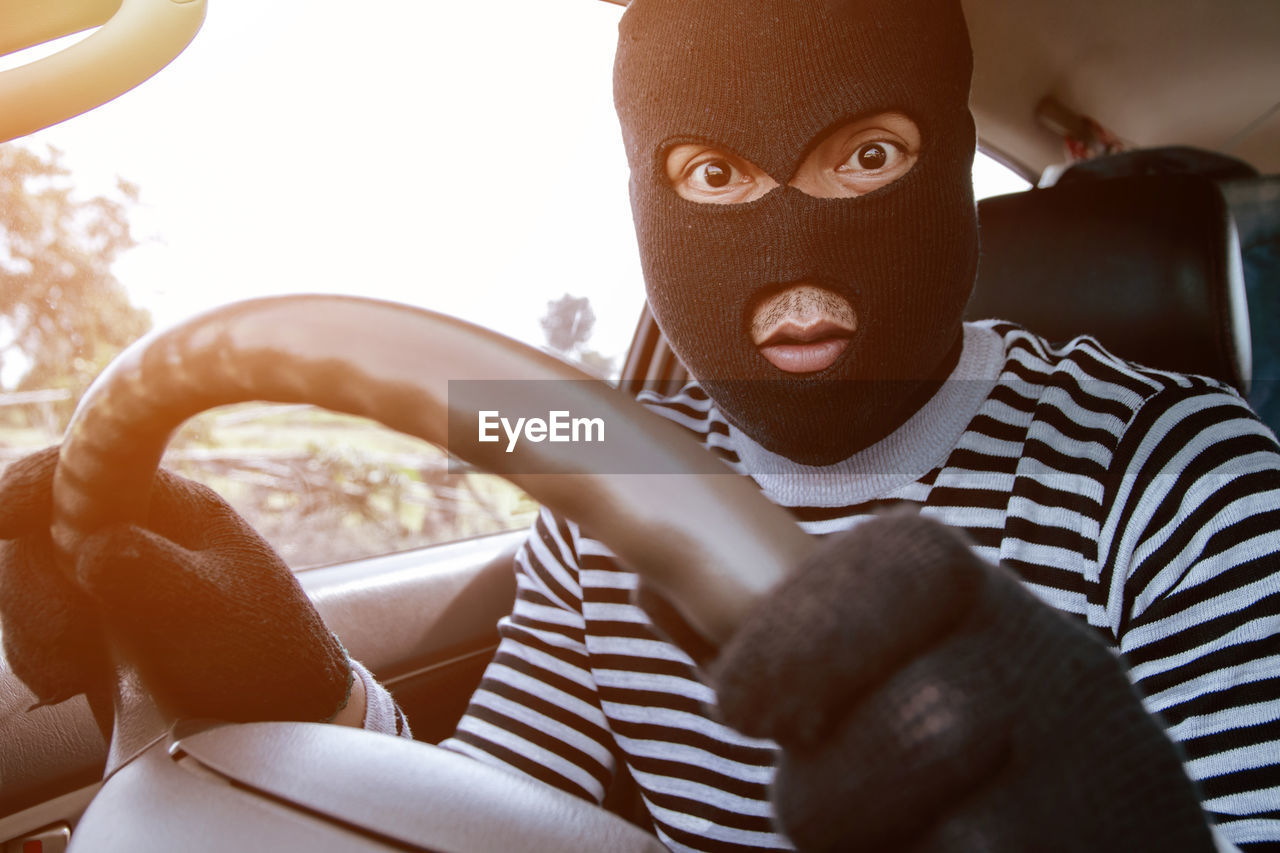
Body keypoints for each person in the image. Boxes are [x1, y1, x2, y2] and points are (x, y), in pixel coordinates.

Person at [0, 0, 1276, 851]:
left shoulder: (1177, 475)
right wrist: (288, 681)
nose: (787, 253)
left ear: (946, 170)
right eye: (710, 176)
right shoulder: (609, 460)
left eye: (864, 157)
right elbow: (502, 811)